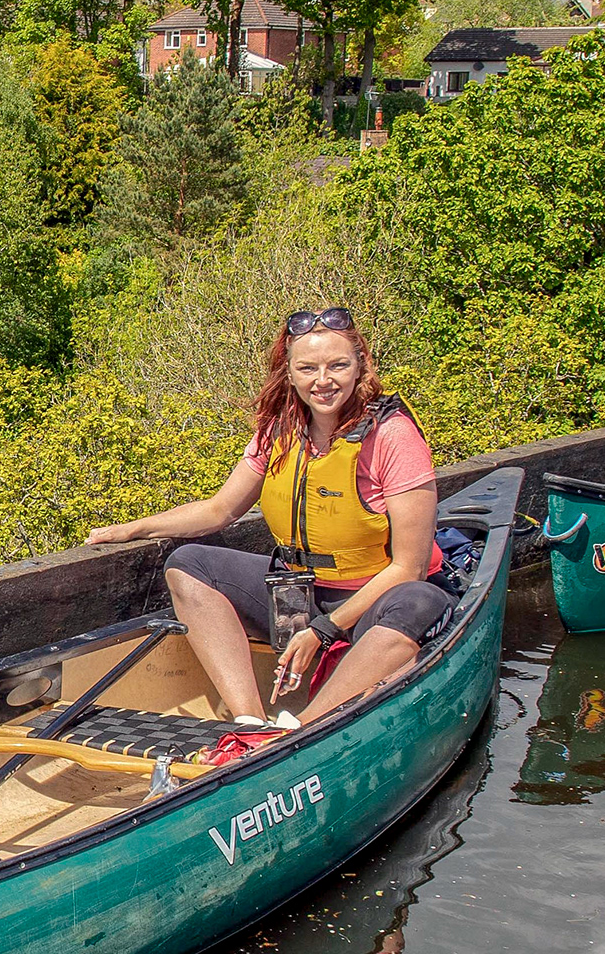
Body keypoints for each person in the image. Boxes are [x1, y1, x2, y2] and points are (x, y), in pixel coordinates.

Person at [83, 307, 454, 728]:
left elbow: (410, 566)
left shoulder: (393, 436)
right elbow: (220, 509)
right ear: (290, 374)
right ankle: (249, 722)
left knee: (418, 601)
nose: (323, 380)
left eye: (338, 366)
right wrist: (133, 528)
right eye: (308, 368)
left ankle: (303, 730)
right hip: (301, 592)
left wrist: (322, 630)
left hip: (375, 596)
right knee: (187, 566)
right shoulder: (279, 431)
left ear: (359, 367)